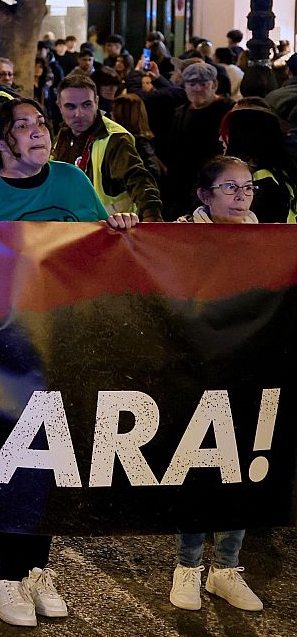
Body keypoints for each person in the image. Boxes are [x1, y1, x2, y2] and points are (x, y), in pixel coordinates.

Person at [0, 98, 139, 628]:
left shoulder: (73, 184)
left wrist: (117, 226)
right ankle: (7, 578)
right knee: (8, 460)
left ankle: (37, 572)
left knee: (48, 460)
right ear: (0, 141)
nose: (37, 133)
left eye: (40, 125)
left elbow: (102, 253)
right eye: (22, 127)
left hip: (62, 346)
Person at [167, 155, 265, 612]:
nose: (242, 196)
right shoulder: (178, 237)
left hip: (250, 368)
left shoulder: (269, 239)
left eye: (247, 187)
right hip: (197, 370)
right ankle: (187, 568)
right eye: (230, 188)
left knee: (243, 465)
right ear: (204, 195)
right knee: (199, 468)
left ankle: (226, 568)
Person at [52, 73, 162, 220]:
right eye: (70, 106)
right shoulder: (62, 135)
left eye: (86, 105)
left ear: (96, 102)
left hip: (111, 231)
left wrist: (152, 217)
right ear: (59, 106)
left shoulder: (115, 138)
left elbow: (139, 180)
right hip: (70, 227)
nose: (79, 114)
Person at [162, 61, 234, 218]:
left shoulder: (228, 110)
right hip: (183, 191)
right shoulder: (180, 113)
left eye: (203, 84)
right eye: (192, 84)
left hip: (215, 188)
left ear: (214, 84)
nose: (197, 89)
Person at [220, 106, 296, 224]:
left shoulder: (262, 181)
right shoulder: (278, 173)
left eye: (228, 133)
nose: (220, 138)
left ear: (244, 138)